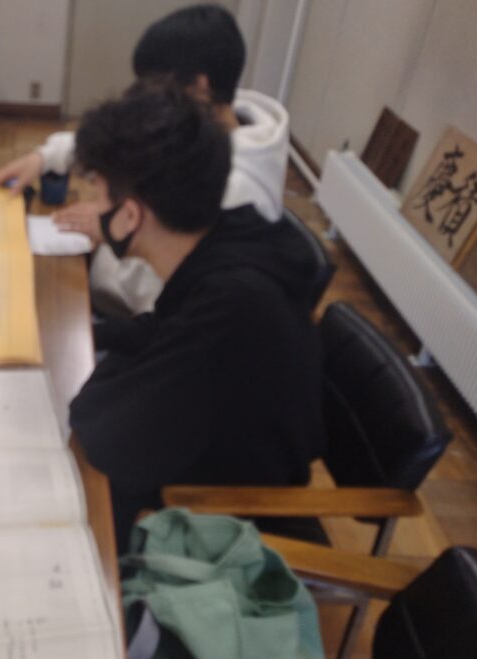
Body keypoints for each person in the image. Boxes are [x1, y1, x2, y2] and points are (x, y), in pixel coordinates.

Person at [66, 81, 323, 552]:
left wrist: (96, 374)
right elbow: (165, 330)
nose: (93, 209)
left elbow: (104, 436)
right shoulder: (229, 241)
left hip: (224, 517)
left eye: (98, 195)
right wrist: (93, 334)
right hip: (214, 447)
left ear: (130, 215)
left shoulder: (233, 305)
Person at [0, 4, 290, 317]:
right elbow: (128, 144)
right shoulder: (206, 125)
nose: (148, 98)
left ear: (200, 86)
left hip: (129, 313)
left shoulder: (231, 188)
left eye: (156, 86)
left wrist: (112, 231)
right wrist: (45, 157)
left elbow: (162, 299)